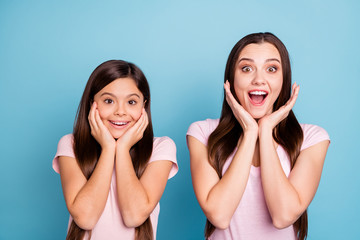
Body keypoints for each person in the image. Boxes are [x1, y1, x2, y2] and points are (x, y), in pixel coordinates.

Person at [186, 32, 330, 240]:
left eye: (271, 69)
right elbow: (219, 215)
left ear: (284, 79)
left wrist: (266, 129)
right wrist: (250, 132)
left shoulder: (312, 138)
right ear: (231, 80)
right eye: (246, 68)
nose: (259, 80)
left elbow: (283, 217)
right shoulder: (202, 132)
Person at [53, 60, 178, 240]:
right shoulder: (71, 145)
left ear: (144, 105)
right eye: (109, 100)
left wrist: (123, 148)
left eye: (132, 102)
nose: (120, 111)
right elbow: (85, 219)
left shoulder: (161, 148)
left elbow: (134, 216)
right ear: (92, 104)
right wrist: (108, 147)